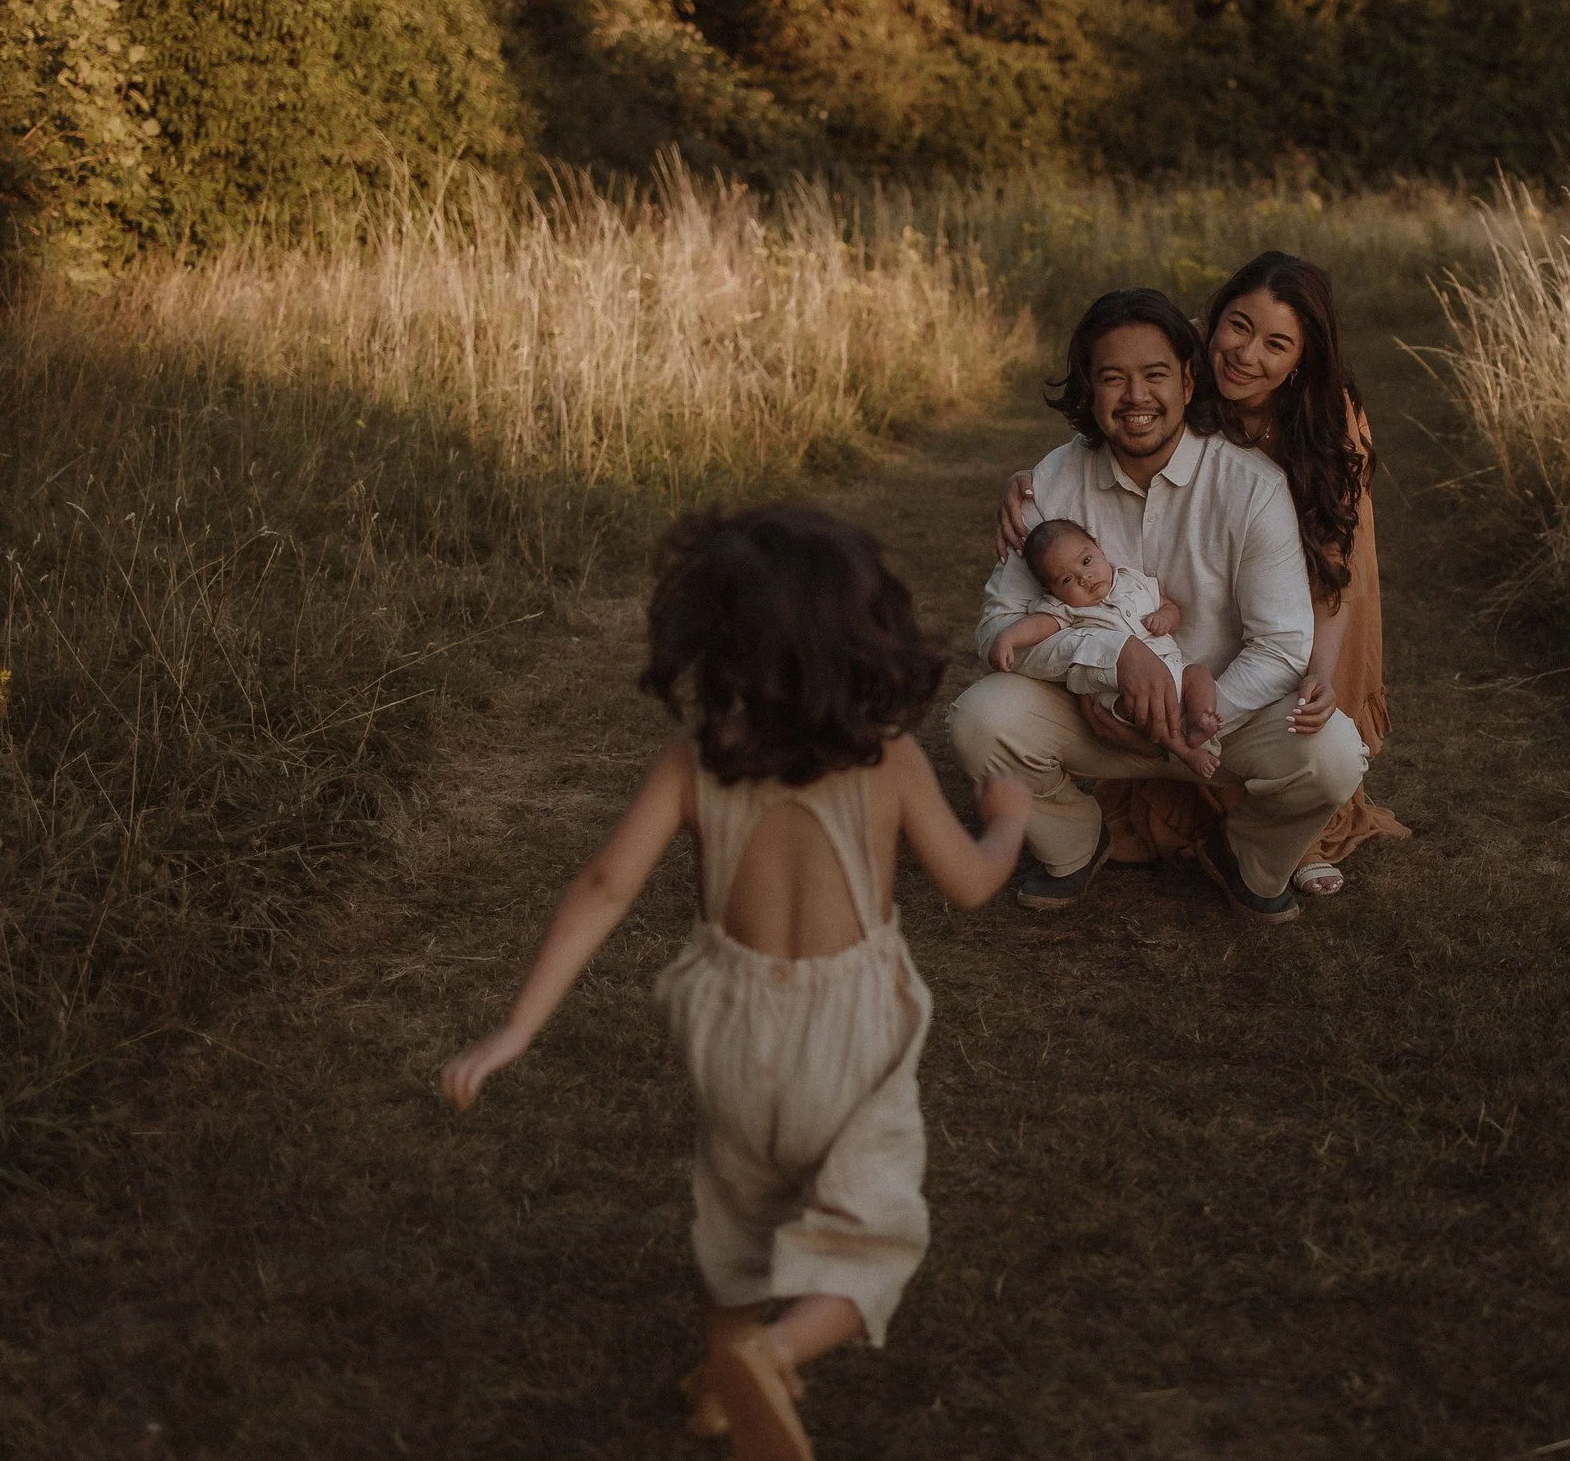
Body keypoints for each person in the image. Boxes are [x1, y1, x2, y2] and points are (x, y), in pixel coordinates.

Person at [440, 503, 1030, 1461]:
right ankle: (774, 1351)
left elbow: (601, 888)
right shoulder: (888, 761)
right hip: (851, 1033)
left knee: (737, 1227)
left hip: (731, 1029)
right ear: (864, 638)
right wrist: (1005, 816)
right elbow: (967, 884)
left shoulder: (693, 764)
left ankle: (722, 1387)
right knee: (877, 1234)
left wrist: (515, 1028)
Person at [949, 287, 1367, 925]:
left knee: (1333, 752)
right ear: (1089, 389)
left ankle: (1246, 858)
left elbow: (1281, 646)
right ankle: (1071, 847)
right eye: (1113, 378)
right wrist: (1113, 657)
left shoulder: (1252, 485)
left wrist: (1187, 724)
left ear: (1189, 379)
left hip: (1223, 719)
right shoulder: (1051, 483)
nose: (1136, 396)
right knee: (979, 718)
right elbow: (996, 630)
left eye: (1154, 375)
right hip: (1099, 714)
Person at [987, 516, 1222, 780]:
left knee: (1200, 674)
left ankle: (1201, 718)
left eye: (1087, 562)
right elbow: (1038, 626)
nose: (1084, 578)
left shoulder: (1132, 581)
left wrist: (1166, 617)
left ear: (1099, 548)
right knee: (1144, 711)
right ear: (1050, 591)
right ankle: (1186, 752)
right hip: (1123, 691)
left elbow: (1169, 606)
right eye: (1067, 580)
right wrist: (1008, 638)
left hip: (1174, 671)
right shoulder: (1068, 609)